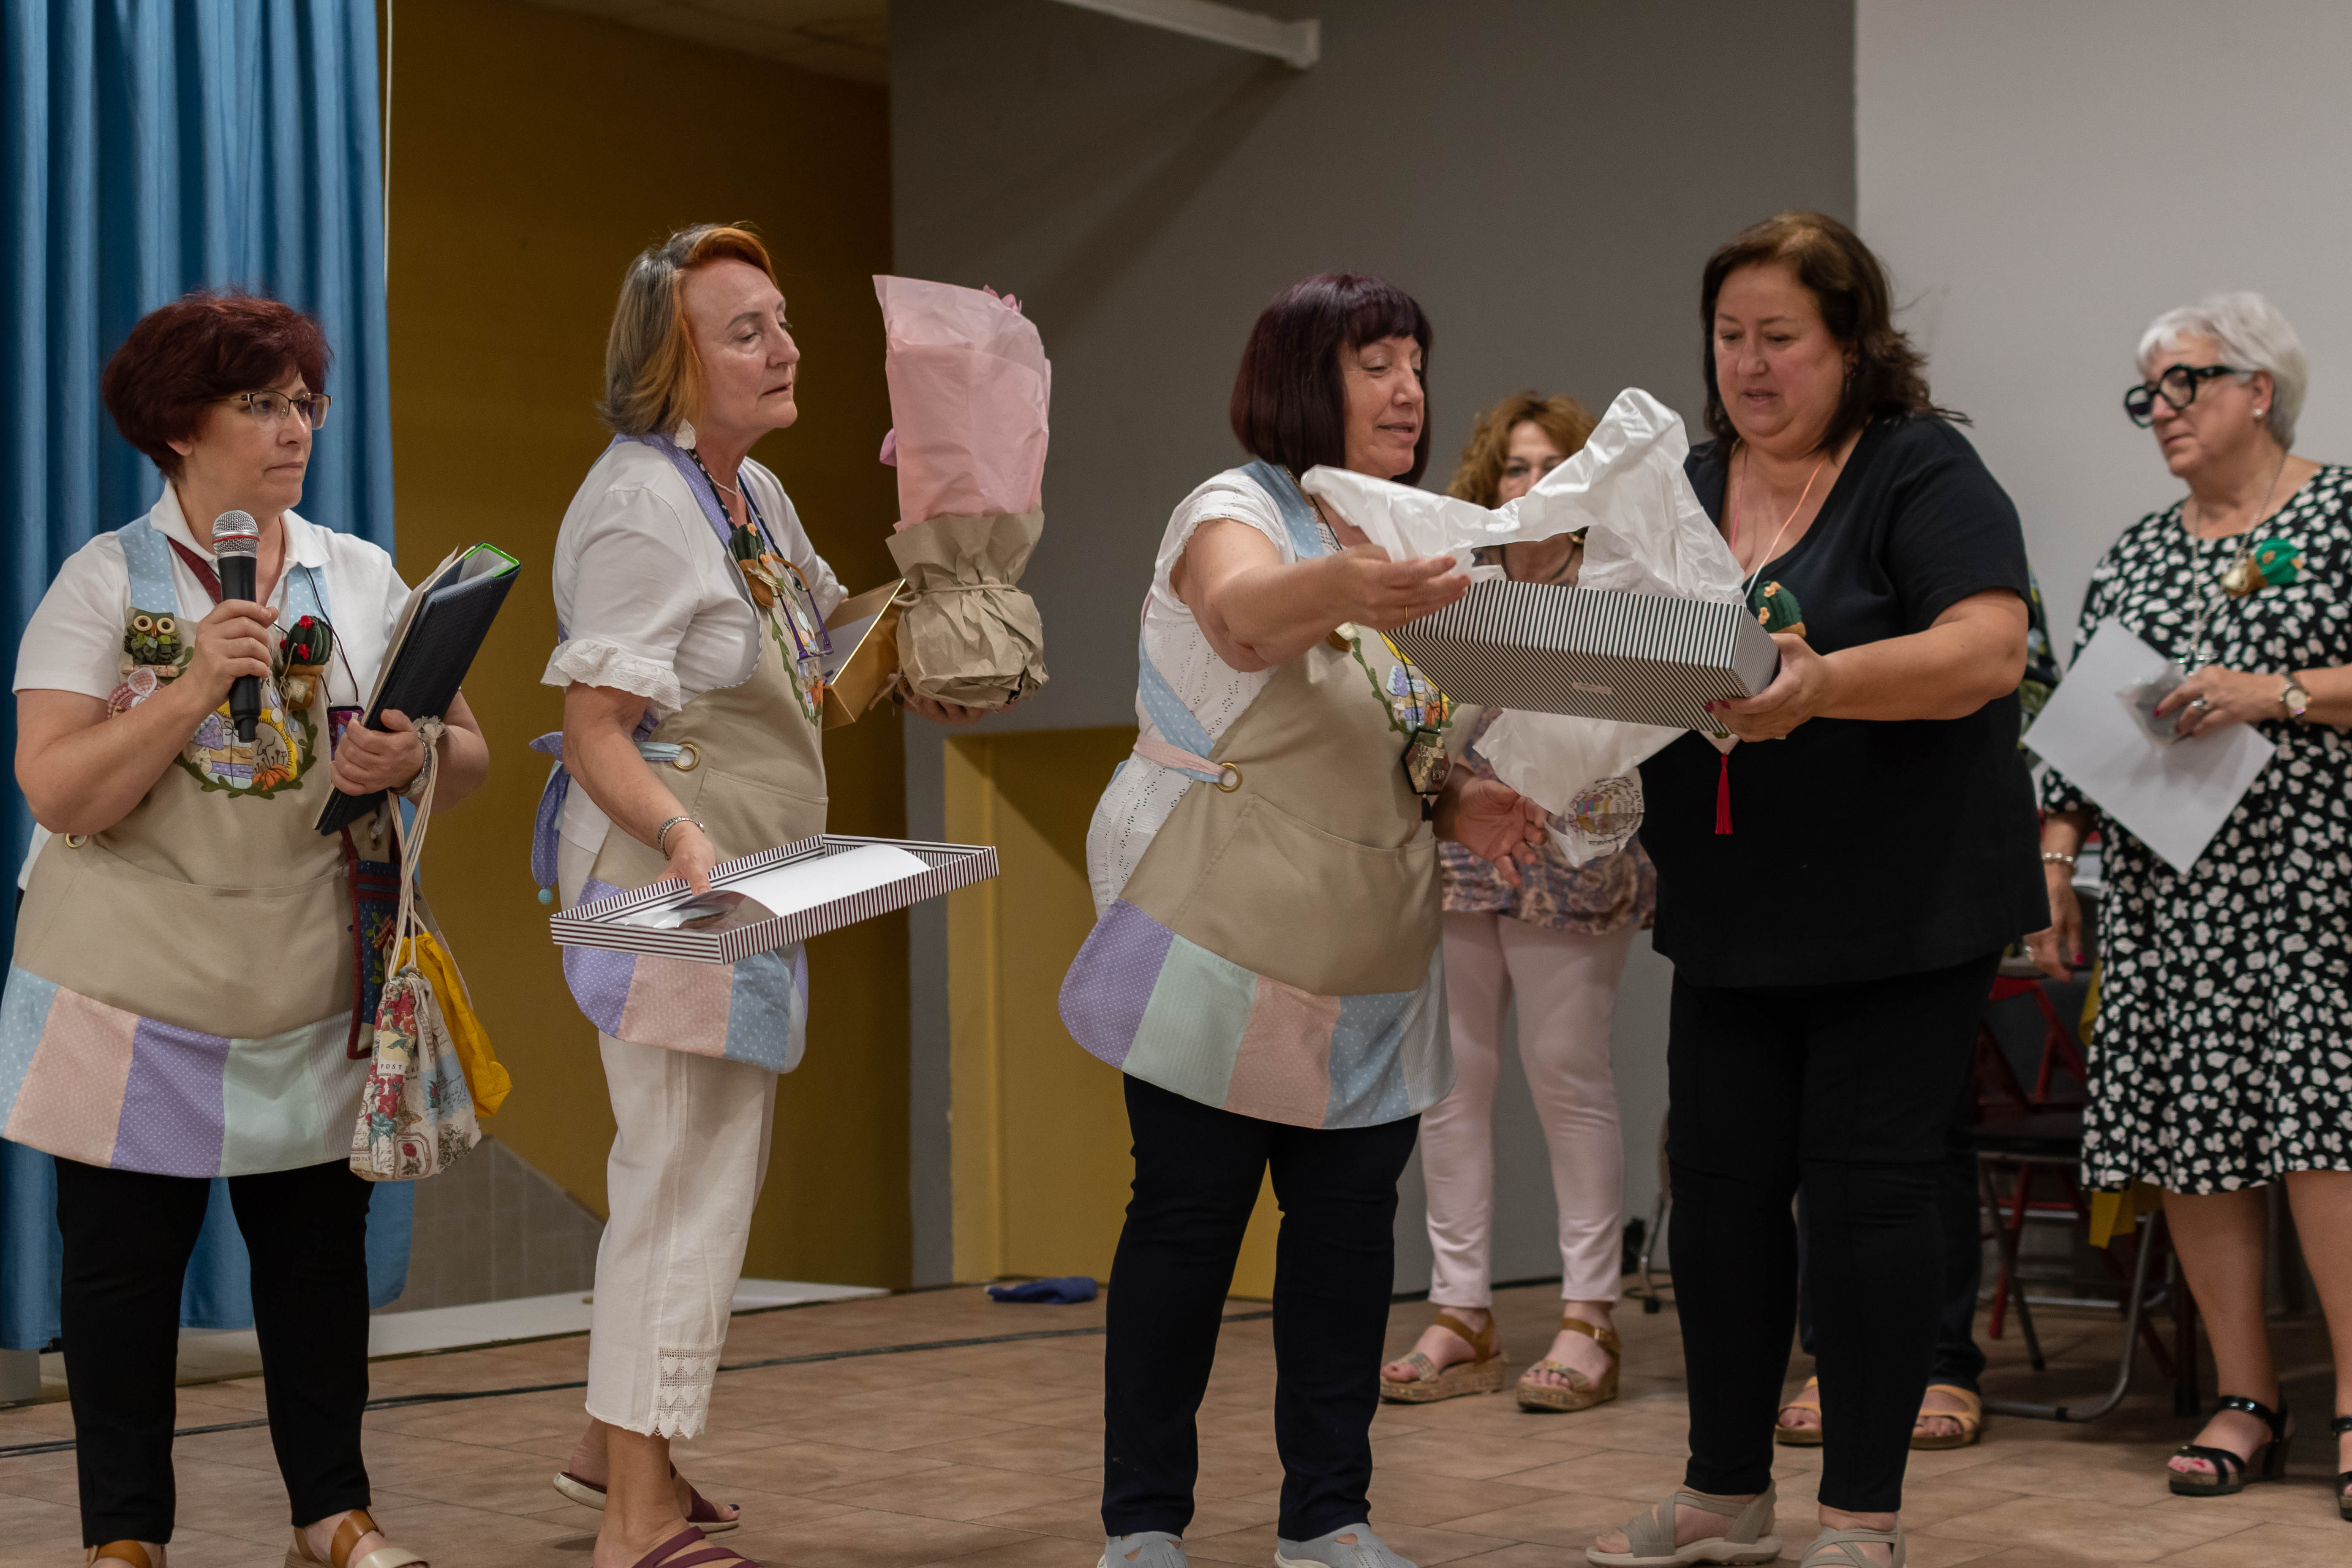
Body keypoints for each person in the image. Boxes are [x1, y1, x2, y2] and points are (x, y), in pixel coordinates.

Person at [1059, 273, 1547, 1568]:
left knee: (1344, 1245)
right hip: (1216, 929)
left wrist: (1460, 799)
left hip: (1371, 948)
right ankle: (1143, 1525)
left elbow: (1395, 743)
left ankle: (1328, 1517)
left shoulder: (1417, 540)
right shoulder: (1235, 510)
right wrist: (1348, 579)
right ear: (1299, 380)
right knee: (1187, 1227)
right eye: (1375, 363)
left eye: (1416, 365)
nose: (1407, 390)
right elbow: (1238, 618)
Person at [1587, 212, 2045, 1568]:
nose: (1749, 364)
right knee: (1721, 1194)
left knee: (1863, 1201)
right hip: (1735, 906)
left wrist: (1826, 684)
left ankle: (1862, 1518)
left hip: (1903, 907)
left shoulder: (1921, 466)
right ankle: (1726, 1493)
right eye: (1729, 336)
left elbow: (1988, 651)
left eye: (1780, 337)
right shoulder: (1682, 484)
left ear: (1852, 343)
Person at [3, 291, 490, 1568]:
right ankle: (124, 1536)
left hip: (307, 972)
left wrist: (414, 752)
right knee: (121, 1275)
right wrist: (189, 688)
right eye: (259, 403)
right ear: (178, 425)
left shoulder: (361, 574)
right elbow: (57, 789)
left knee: (317, 1263)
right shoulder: (100, 581)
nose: (294, 428)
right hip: (126, 980)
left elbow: (471, 752)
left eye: (304, 402)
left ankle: (331, 1513)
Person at [535, 224, 985, 1568]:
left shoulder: (752, 494)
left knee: (688, 1168)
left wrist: (941, 623)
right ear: (671, 363)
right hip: (670, 884)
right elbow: (597, 726)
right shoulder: (641, 505)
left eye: (783, 322)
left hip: (744, 881)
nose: (787, 348)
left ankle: (612, 1453)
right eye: (748, 332)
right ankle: (636, 1523)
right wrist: (683, 839)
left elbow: (817, 649)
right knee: (683, 1181)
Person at [2031, 292, 2352, 1522]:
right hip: (2171, 896)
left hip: (2315, 882)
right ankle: (2247, 1397)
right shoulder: (2137, 552)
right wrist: (2057, 858)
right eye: (2146, 394)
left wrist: (2271, 692)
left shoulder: (2340, 511)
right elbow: (2084, 726)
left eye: (2184, 384)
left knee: (2324, 1134)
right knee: (2197, 1137)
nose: (2159, 411)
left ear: (2259, 389)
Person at [1377, 392, 1660, 1415]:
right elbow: (1417, 711)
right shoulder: (1460, 579)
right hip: (1463, 849)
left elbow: (1636, 727)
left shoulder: (1617, 582)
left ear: (1584, 486)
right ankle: (1462, 1311)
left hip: (1574, 853)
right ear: (1489, 483)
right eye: (1515, 467)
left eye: (1552, 467)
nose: (1531, 483)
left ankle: (1590, 1313)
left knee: (1568, 1076)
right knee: (1451, 1084)